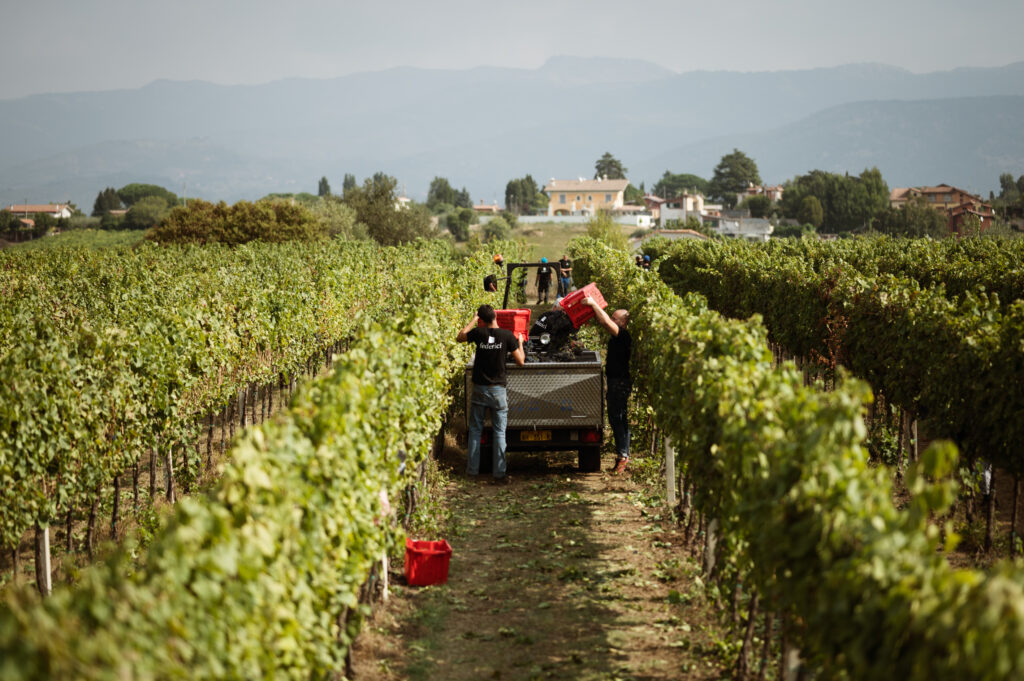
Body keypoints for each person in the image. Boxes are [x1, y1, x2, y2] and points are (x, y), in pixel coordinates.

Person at [457, 304, 525, 484]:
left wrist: (473, 319)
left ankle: (472, 473)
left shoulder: (478, 333)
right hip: (498, 391)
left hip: (480, 389)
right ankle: (499, 475)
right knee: (499, 433)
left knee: (475, 431)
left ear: (481, 320)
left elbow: (460, 337)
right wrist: (519, 342)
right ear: (495, 316)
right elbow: (521, 361)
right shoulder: (507, 336)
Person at [585, 297, 631, 474]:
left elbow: (605, 322)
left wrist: (593, 303)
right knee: (618, 418)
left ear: (623, 322)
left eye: (615, 318)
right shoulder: (617, 336)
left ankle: (623, 455)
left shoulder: (623, 335)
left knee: (617, 419)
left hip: (619, 383)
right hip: (616, 382)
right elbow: (602, 320)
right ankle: (623, 455)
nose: (611, 320)